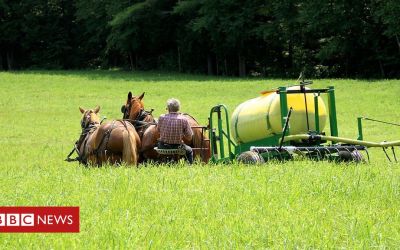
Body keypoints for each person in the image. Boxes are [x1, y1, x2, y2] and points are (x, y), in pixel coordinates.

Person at [157, 98, 194, 164]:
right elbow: (189, 137)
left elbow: (158, 131)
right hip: (178, 147)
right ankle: (189, 167)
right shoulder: (183, 119)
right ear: (178, 108)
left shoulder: (161, 117)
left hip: (162, 146)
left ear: (168, 108)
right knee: (190, 150)